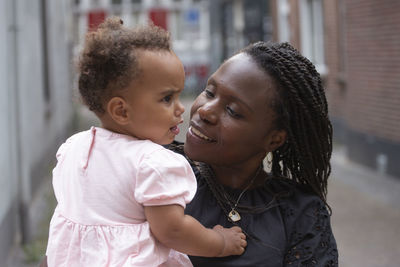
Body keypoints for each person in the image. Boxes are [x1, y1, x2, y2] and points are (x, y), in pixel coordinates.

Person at [44, 17, 246, 267]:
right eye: (166, 99)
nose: (180, 108)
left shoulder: (73, 148)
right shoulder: (153, 163)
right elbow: (173, 231)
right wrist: (220, 242)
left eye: (179, 95)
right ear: (121, 111)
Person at [167, 41, 338, 266]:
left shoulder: (299, 213)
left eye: (233, 111)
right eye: (209, 92)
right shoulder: (156, 170)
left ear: (274, 139)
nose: (205, 110)